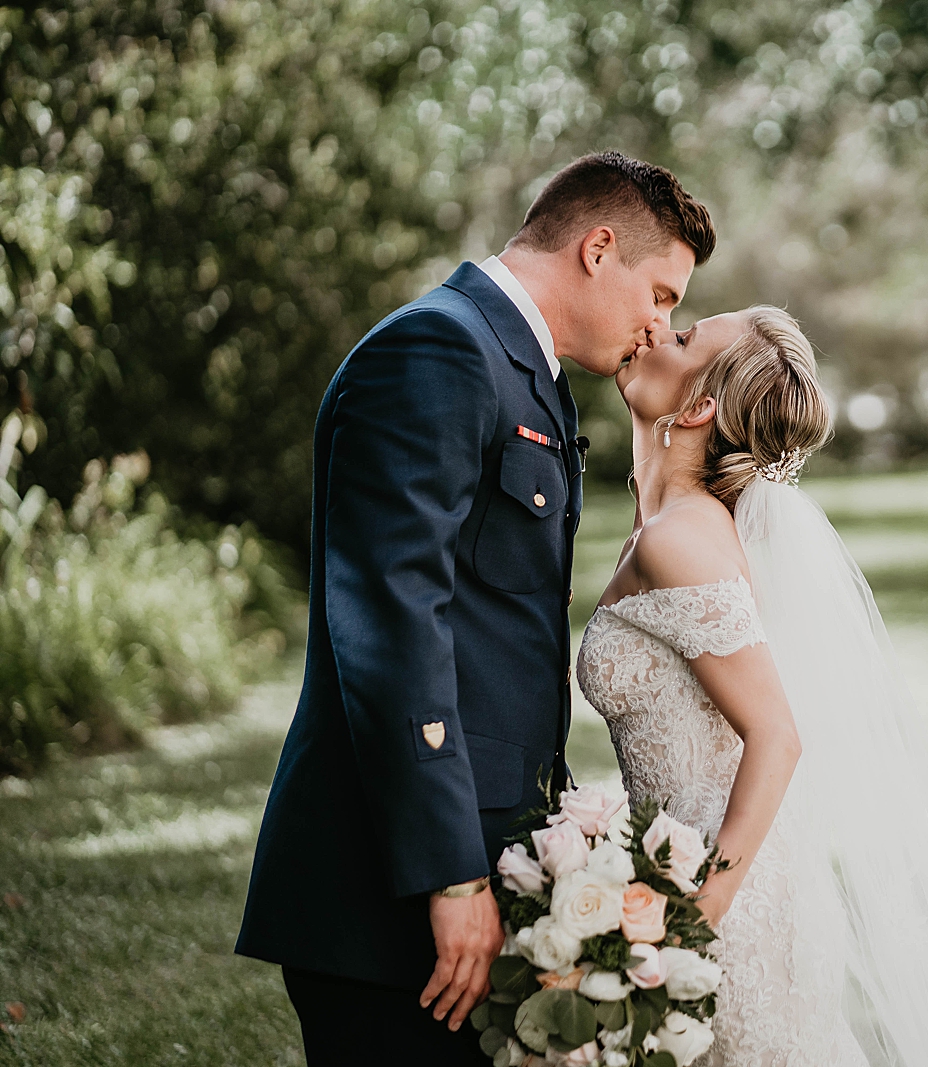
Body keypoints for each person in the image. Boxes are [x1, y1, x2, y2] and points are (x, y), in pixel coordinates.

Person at [235, 152, 714, 1065]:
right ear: (598, 247)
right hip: (395, 883)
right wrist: (448, 872)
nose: (662, 326)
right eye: (660, 293)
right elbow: (390, 621)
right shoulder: (440, 349)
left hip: (479, 862)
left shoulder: (521, 370)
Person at [577, 308, 928, 1065]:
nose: (653, 330)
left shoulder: (679, 538)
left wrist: (696, 918)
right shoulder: (677, 528)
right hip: (692, 878)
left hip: (721, 903)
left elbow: (777, 735)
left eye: (681, 338)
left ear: (702, 407)